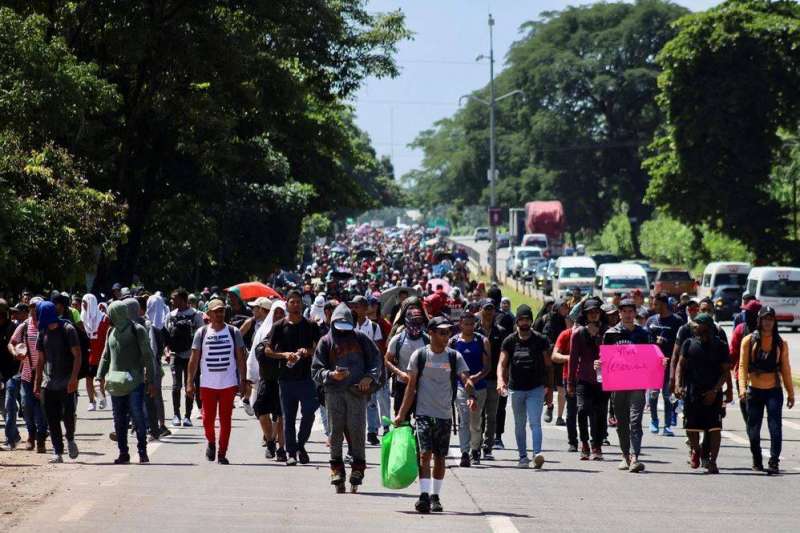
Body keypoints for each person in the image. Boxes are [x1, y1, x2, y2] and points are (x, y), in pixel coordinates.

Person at [394, 316, 476, 514]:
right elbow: (411, 387)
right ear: (431, 333)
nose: (446, 335)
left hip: (445, 415)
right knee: (424, 455)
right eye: (442, 332)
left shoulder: (454, 356)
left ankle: (435, 496)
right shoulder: (419, 356)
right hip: (423, 413)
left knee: (440, 457)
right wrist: (401, 414)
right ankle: (423, 496)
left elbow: (464, 377)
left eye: (448, 332)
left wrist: (469, 387)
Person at [312, 303, 381, 492]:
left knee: (358, 431)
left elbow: (376, 359)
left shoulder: (361, 338)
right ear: (332, 323)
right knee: (335, 433)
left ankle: (358, 468)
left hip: (357, 392)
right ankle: (336, 469)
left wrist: (369, 377)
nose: (342, 332)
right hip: (333, 393)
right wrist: (331, 375)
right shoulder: (325, 342)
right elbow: (316, 370)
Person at [186, 298, 248, 464]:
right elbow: (194, 359)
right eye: (216, 311)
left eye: (222, 311)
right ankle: (211, 442)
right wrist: (189, 382)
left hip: (228, 384)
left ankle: (222, 453)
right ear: (209, 314)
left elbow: (240, 358)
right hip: (207, 384)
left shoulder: (233, 332)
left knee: (226, 420)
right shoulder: (202, 333)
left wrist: (243, 380)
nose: (220, 314)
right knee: (207, 419)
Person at [97, 301, 158, 464]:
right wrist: (99, 377)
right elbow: (105, 356)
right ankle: (123, 452)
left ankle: (142, 451)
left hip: (135, 383)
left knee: (138, 417)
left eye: (110, 313)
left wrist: (151, 381)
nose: (107, 317)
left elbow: (147, 356)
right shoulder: (111, 330)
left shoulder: (137, 330)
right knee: (119, 419)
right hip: (115, 384)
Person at [266, 290, 321, 465]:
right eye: (292, 302)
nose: (296, 305)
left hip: (306, 379)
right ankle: (291, 453)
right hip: (286, 379)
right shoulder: (279, 326)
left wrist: (308, 352)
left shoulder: (311, 326)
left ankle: (301, 444)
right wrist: (284, 355)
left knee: (309, 414)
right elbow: (268, 350)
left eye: (298, 302)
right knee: (288, 418)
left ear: (302, 304)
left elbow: (321, 349)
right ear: (287, 304)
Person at [738, 306, 795, 474]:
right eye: (765, 319)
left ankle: (774, 460)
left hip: (774, 391)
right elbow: (742, 366)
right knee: (753, 430)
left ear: (774, 321)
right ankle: (757, 458)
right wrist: (742, 389)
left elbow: (786, 369)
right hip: (754, 390)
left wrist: (791, 393)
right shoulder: (749, 340)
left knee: (775, 427)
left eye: (771, 319)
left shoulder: (780, 343)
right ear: (759, 320)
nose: (768, 322)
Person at [601, 298, 654, 473]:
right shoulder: (610, 334)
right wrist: (599, 365)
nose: (628, 314)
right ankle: (624, 455)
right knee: (622, 422)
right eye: (625, 311)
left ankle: (635, 457)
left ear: (635, 313)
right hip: (617, 383)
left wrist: (660, 362)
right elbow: (605, 359)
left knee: (635, 420)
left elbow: (650, 357)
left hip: (637, 383)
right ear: (620, 313)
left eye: (631, 311)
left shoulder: (643, 334)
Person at [497, 304, 553, 469]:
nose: (524, 322)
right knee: (519, 424)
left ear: (531, 321)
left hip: (536, 388)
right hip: (516, 389)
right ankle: (522, 457)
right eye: (521, 319)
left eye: (527, 319)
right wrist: (501, 380)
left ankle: (537, 454)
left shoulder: (541, 340)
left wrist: (549, 390)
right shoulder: (509, 341)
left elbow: (549, 367)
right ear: (517, 321)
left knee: (535, 422)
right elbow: (501, 363)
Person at [674, 313, 730, 474]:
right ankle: (696, 449)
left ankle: (712, 461)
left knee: (714, 428)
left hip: (713, 393)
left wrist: (715, 390)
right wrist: (678, 385)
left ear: (706, 326)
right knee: (691, 426)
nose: (694, 326)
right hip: (692, 392)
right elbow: (680, 365)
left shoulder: (720, 346)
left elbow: (725, 372)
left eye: (697, 324)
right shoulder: (689, 343)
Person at [33, 302, 81, 463]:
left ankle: (70, 438)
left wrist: (74, 378)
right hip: (48, 382)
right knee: (51, 418)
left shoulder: (68, 330)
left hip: (67, 381)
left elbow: (77, 355)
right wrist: (37, 382)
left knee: (68, 415)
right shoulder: (43, 332)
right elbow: (40, 360)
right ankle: (57, 451)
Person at [449, 312, 490, 467]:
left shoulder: (482, 341)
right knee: (463, 420)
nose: (469, 327)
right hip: (460, 386)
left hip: (479, 386)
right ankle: (465, 452)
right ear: (460, 324)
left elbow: (487, 367)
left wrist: (474, 378)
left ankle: (475, 449)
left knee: (476, 421)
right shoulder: (453, 342)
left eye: (471, 324)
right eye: (466, 324)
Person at [568, 299, 607, 460]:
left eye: (596, 312)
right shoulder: (578, 334)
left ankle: (596, 445)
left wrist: (598, 336)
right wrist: (570, 382)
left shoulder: (607, 332)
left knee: (599, 413)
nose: (594, 314)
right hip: (583, 379)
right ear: (585, 314)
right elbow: (573, 358)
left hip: (603, 380)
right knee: (583, 410)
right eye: (590, 312)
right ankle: (584, 443)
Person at [249, 300, 287, 461]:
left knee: (280, 415)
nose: (278, 315)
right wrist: (250, 378)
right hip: (265, 378)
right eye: (276, 312)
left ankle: (281, 449)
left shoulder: (288, 331)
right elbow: (253, 355)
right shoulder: (262, 331)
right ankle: (270, 440)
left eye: (281, 313)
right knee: (261, 412)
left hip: (284, 380)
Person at [9, 298, 48, 452]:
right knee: (26, 406)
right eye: (32, 307)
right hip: (27, 374)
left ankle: (41, 439)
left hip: (45, 375)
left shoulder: (48, 325)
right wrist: (15, 353)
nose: (34, 310)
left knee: (42, 409)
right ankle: (31, 436)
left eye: (37, 307)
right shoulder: (25, 326)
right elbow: (12, 343)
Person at [164, 288, 205, 427]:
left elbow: (202, 336)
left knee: (190, 385)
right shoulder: (170, 315)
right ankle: (176, 414)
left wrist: (199, 356)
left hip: (191, 356)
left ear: (182, 299)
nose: (171, 301)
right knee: (176, 386)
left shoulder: (196, 315)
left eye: (173, 298)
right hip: (175, 355)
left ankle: (187, 416)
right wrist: (167, 352)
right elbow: (166, 337)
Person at [351, 295, 388, 445]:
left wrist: (380, 368)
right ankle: (366, 431)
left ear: (365, 309)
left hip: (372, 367)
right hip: (356, 369)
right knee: (363, 401)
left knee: (377, 400)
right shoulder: (349, 325)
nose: (355, 308)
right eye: (353, 306)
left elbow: (379, 348)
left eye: (358, 306)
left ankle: (379, 429)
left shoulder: (374, 326)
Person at [645, 293, 683, 437]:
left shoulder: (677, 321)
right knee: (653, 395)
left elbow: (681, 343)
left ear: (664, 304)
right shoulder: (650, 321)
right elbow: (646, 342)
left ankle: (667, 426)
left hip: (669, 365)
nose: (654, 307)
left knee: (667, 396)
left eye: (656, 304)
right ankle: (654, 420)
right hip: (653, 366)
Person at [476, 299, 506, 458]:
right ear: (480, 310)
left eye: (491, 309)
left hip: (494, 379)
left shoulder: (500, 332)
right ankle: (476, 444)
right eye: (486, 309)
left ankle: (487, 447)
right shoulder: (472, 330)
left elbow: (505, 357)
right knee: (477, 415)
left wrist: (504, 378)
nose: (488, 312)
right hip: (476, 379)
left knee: (492, 415)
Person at [385, 307, 428, 415]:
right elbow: (387, 360)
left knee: (423, 420)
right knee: (402, 420)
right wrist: (400, 374)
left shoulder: (427, 340)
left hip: (422, 386)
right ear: (407, 321)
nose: (417, 324)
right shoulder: (397, 340)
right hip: (402, 384)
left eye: (419, 321)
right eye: (414, 321)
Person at [727, 299, 761, 424]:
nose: (745, 315)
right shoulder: (740, 329)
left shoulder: (767, 330)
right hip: (741, 374)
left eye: (749, 312)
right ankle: (750, 425)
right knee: (744, 401)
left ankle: (753, 425)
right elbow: (733, 352)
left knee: (756, 405)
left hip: (761, 375)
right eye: (745, 312)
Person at [542, 299, 569, 425]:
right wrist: (555, 348)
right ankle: (549, 406)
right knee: (549, 386)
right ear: (557, 308)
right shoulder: (549, 322)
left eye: (566, 307)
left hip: (563, 359)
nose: (566, 310)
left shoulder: (567, 321)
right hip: (550, 360)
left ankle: (559, 417)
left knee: (562, 388)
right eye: (563, 307)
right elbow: (545, 339)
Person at [1, 299, 22, 449]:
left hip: (13, 373)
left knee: (9, 405)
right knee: (3, 407)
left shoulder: (13, 329)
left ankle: (11, 439)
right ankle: (14, 434)